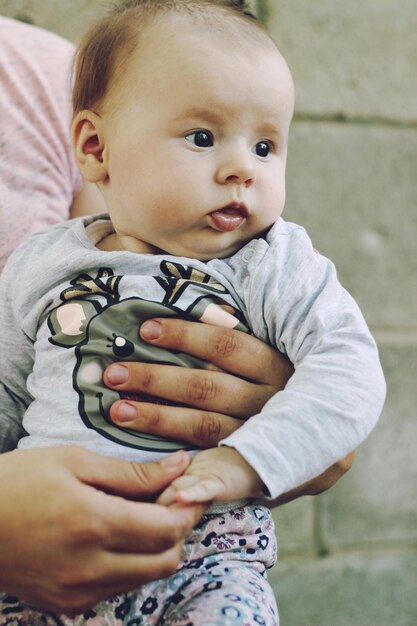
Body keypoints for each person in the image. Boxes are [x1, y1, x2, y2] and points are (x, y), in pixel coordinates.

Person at [0, 2, 383, 623]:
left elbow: (350, 369)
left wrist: (244, 461)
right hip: (34, 562)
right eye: (202, 138)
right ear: (96, 148)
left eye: (265, 145)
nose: (241, 170)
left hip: (208, 559)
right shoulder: (41, 264)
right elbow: (6, 392)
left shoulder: (272, 262)